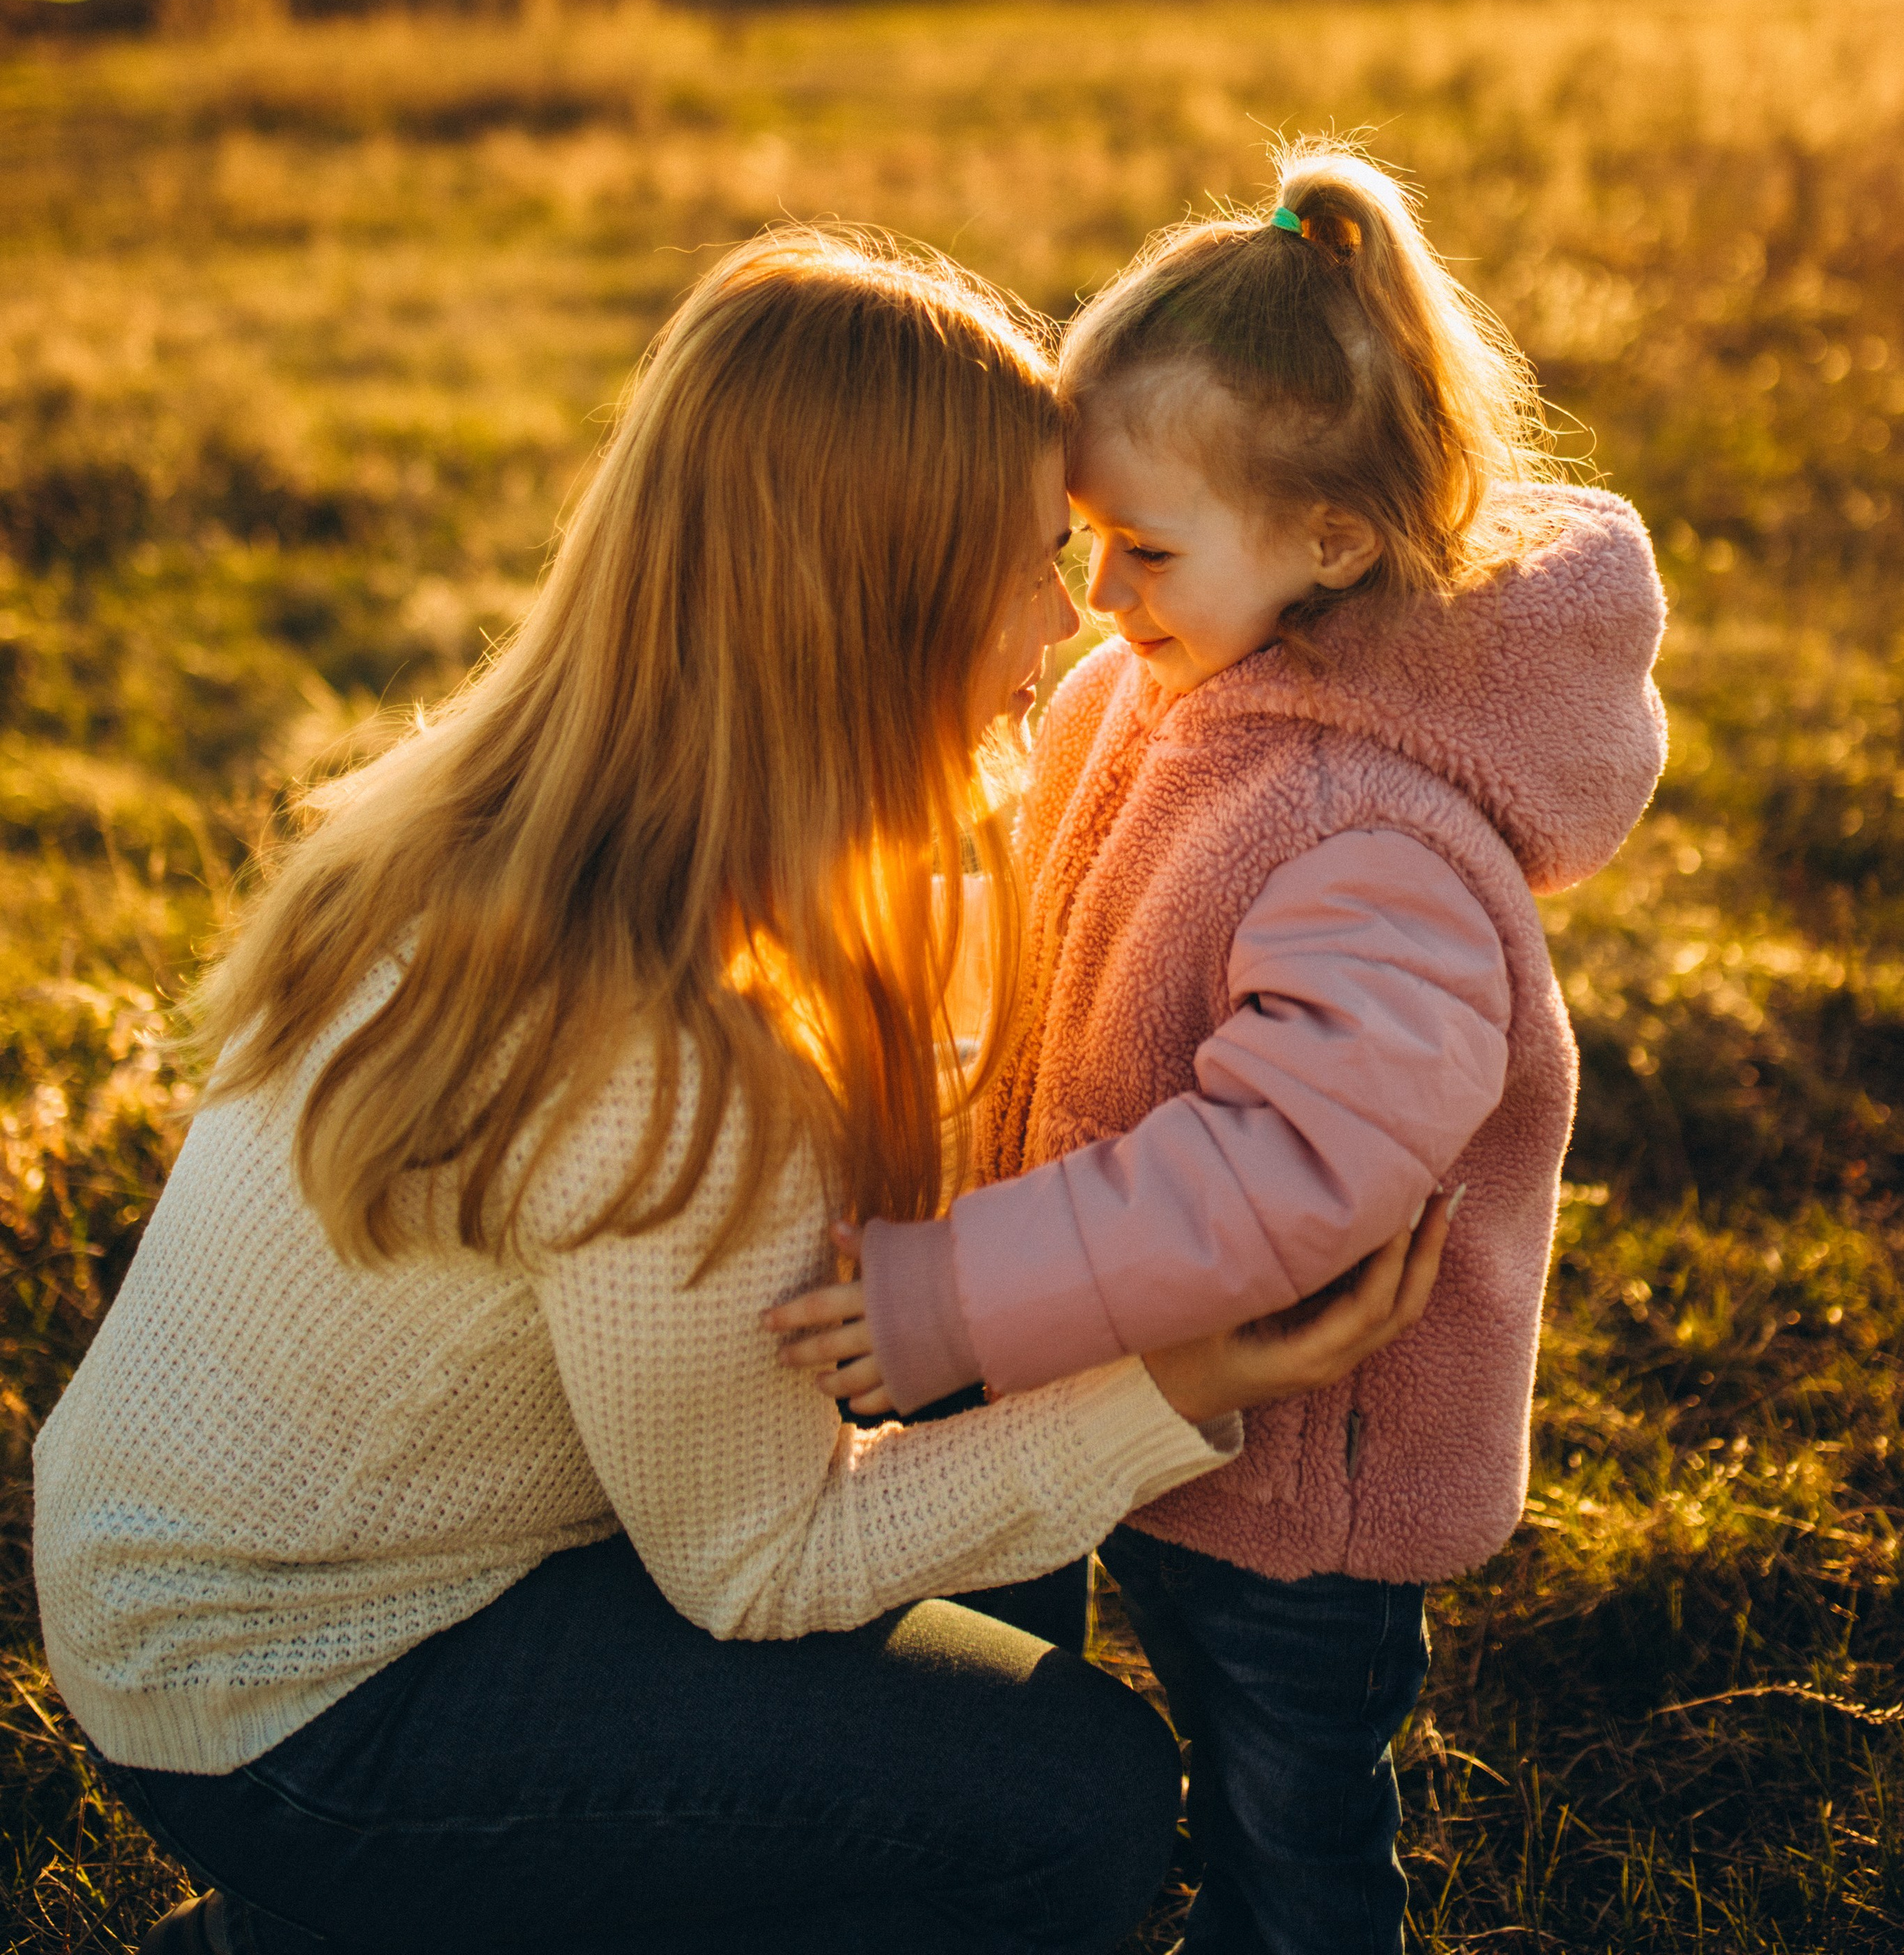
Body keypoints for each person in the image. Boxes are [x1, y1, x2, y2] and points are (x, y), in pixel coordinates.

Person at [32, 228, 1448, 1955]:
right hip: (297, 1696)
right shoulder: (657, 1043)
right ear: (872, 608)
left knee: (953, 1390)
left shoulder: (541, 801)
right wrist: (1172, 1381)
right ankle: (365, 1906)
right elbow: (753, 1565)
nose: (1071, 615)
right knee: (1068, 1802)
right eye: (1025, 562)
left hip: (206, 1569)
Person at [769, 154, 1668, 1955]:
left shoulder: (1370, 826)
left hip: (1290, 1480)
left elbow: (1283, 1177)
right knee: (1036, 1704)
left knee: (1290, 1825)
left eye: (1144, 549)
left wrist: (954, 1297)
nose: (1097, 593)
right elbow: (1076, 926)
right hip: (1112, 1390)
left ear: (1328, 542)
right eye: (1079, 541)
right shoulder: (1161, 677)